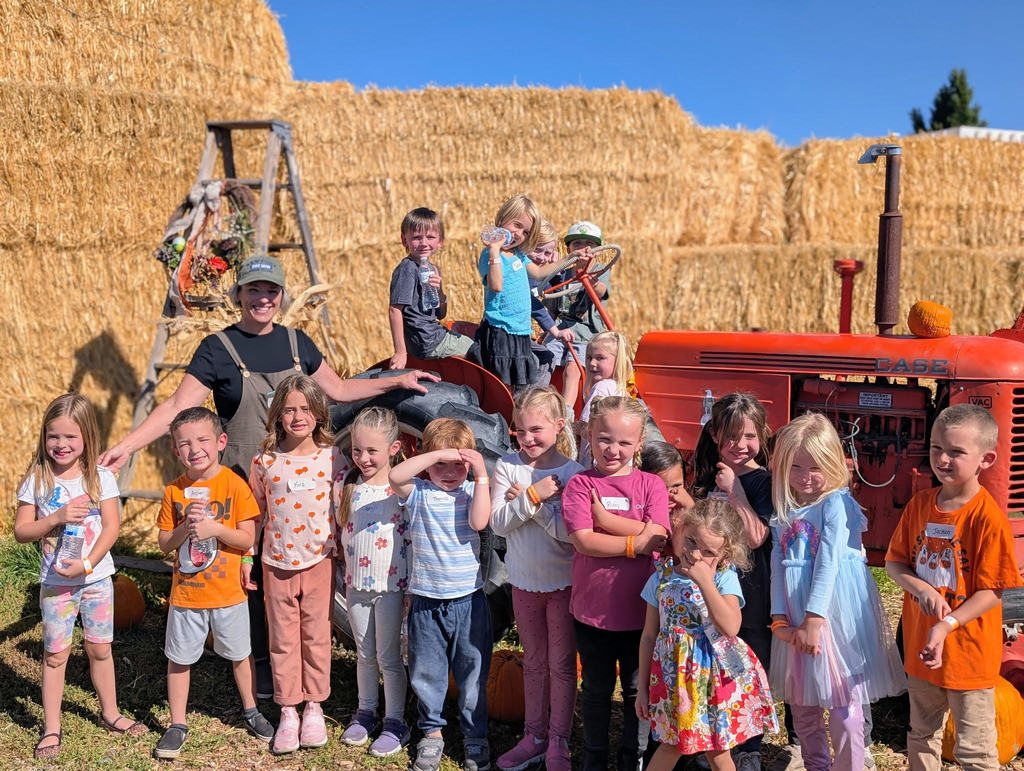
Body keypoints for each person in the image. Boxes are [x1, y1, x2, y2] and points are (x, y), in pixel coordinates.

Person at [100, 253, 438, 696]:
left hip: (293, 488)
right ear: (239, 295)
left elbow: (339, 391)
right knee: (250, 576)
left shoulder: (298, 344)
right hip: (242, 482)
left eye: (271, 291)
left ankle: (303, 676)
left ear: (281, 296)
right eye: (254, 290)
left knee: (299, 582)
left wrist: (395, 381)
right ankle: (257, 663)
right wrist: (126, 446)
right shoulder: (216, 349)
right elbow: (176, 408)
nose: (263, 299)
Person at [885, 404, 1020, 771]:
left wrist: (947, 625)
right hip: (921, 649)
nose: (942, 459)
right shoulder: (920, 505)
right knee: (921, 735)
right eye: (935, 448)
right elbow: (895, 563)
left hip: (969, 656)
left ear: (985, 459)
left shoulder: (986, 518)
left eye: (956, 452)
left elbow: (993, 591)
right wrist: (922, 590)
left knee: (975, 751)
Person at [14, 394, 148, 761]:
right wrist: (55, 518)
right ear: (44, 436)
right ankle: (51, 727)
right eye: (53, 436)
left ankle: (110, 713)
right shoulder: (37, 479)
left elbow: (111, 528)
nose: (61, 445)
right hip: (56, 585)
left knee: (99, 649)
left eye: (70, 437)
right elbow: (22, 531)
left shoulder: (101, 477)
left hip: (96, 580)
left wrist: (87, 565)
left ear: (87, 437)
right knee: (55, 654)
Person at [769, 413, 906, 771]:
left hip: (832, 617)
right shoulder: (784, 510)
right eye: (795, 467)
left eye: (814, 467)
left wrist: (814, 620)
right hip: (796, 620)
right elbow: (776, 567)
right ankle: (817, 766)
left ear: (832, 463)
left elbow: (829, 562)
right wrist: (779, 617)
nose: (804, 477)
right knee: (803, 706)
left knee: (844, 706)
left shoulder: (835, 504)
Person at [153, 407, 274, 759]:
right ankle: (177, 723)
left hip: (228, 594)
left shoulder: (234, 485)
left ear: (221, 442)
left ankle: (251, 709)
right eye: (185, 443)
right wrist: (183, 530)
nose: (195, 449)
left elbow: (248, 537)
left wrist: (215, 529)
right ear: (175, 450)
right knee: (179, 658)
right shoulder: (174, 492)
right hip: (187, 595)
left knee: (240, 654)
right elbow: (164, 543)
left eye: (203, 440)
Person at [561, 395, 671, 771]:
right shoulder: (579, 484)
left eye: (625, 443)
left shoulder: (652, 485)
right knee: (594, 689)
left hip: (644, 617)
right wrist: (634, 544)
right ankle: (593, 756)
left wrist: (604, 517)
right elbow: (583, 540)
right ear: (589, 434)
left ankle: (633, 757)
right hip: (593, 611)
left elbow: (660, 537)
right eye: (605, 439)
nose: (613, 449)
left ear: (639, 444)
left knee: (638, 691)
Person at [638, 498, 778, 771]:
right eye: (691, 541)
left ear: (725, 555)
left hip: (715, 678)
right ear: (680, 529)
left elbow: (730, 627)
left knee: (717, 749)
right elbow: (648, 635)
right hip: (674, 678)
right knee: (671, 744)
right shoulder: (661, 577)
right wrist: (643, 688)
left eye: (709, 551)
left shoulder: (724, 577)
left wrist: (704, 581)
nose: (697, 555)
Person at [389, 418, 493, 771]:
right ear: (425, 458)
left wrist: (479, 470)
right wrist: (444, 451)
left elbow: (480, 522)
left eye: (457, 465)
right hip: (427, 600)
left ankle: (475, 735)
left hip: (468, 600)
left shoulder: (471, 492)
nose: (449, 471)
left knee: (472, 672)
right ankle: (431, 732)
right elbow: (395, 476)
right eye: (440, 464)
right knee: (426, 671)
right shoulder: (418, 492)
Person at [490, 387, 585, 771]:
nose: (528, 439)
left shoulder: (572, 474)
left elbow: (570, 533)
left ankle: (560, 738)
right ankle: (535, 735)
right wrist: (532, 495)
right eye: (520, 431)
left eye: (536, 430)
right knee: (534, 662)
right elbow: (498, 523)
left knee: (562, 664)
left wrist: (532, 507)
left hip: (563, 584)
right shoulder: (507, 467)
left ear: (559, 426)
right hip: (524, 583)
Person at [248, 375, 343, 754]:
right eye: (289, 409)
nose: (297, 416)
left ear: (319, 413)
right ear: (277, 415)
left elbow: (343, 509)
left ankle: (315, 705)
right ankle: (288, 709)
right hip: (276, 561)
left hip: (319, 559)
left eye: (305, 409)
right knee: (283, 638)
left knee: (316, 634)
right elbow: (255, 514)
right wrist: (247, 557)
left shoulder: (334, 457)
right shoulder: (265, 460)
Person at [691, 393, 778, 770]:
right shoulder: (708, 475)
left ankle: (748, 747)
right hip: (714, 589)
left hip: (753, 590)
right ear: (713, 434)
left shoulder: (763, 482)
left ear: (761, 435)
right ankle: (715, 740)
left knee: (748, 663)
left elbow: (758, 536)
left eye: (749, 436)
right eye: (731, 437)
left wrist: (736, 491)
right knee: (715, 662)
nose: (741, 446)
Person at [335, 406, 411, 757]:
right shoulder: (346, 486)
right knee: (364, 653)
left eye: (372, 451)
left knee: (389, 656)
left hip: (391, 587)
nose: (363, 458)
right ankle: (366, 712)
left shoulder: (401, 492)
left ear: (394, 449)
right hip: (355, 586)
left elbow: (410, 540)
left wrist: (410, 585)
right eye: (356, 450)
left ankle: (396, 720)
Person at [388, 207, 474, 369]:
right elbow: (394, 309)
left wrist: (440, 292)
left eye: (430, 237)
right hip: (427, 339)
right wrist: (400, 351)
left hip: (434, 333)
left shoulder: (433, 269)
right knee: (479, 351)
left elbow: (440, 314)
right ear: (404, 240)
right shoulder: (407, 269)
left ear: (440, 241)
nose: (424, 243)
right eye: (417, 238)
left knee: (475, 340)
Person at [476, 193, 547, 389]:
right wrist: (493, 250)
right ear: (501, 220)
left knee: (519, 384)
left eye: (525, 232)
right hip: (501, 330)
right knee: (503, 384)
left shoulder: (518, 255)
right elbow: (496, 285)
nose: (519, 234)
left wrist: (572, 258)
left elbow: (540, 273)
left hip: (520, 330)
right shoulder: (489, 256)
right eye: (516, 225)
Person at [542, 221, 611, 413]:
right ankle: (540, 405)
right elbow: (551, 306)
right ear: (568, 249)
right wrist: (545, 331)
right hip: (561, 328)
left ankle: (566, 413)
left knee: (573, 368)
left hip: (586, 332)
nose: (584, 249)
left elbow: (600, 291)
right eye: (577, 244)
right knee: (544, 359)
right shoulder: (562, 273)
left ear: (598, 250)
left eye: (589, 245)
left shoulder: (601, 270)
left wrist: (587, 276)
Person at [526, 220, 576, 386]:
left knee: (547, 357)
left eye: (547, 253)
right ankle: (531, 404)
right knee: (538, 360)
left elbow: (557, 295)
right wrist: (554, 330)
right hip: (508, 333)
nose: (542, 257)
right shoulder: (521, 272)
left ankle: (537, 401)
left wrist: (557, 272)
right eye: (537, 250)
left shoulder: (539, 274)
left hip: (522, 333)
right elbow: (532, 303)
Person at [576, 330, 633, 467]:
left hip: (594, 463)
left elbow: (585, 427)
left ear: (617, 360)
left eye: (600, 358)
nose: (592, 363)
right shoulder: (621, 390)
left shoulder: (601, 387)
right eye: (589, 358)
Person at [640, 441, 695, 517]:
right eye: (659, 488)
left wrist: (690, 510)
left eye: (676, 486)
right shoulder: (635, 518)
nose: (669, 495)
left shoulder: (687, 511)